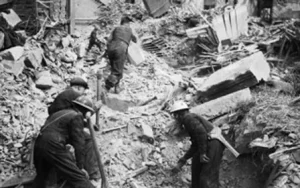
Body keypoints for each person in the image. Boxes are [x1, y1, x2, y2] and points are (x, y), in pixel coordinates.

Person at [47, 77, 101, 185]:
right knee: (88, 140)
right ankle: (92, 174)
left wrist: (87, 125)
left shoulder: (62, 96)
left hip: (54, 128)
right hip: (63, 132)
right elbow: (85, 114)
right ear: (77, 88)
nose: (82, 94)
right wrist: (95, 107)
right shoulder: (73, 93)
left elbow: (74, 116)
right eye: (82, 91)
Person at [32, 96, 97, 188]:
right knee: (77, 177)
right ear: (86, 111)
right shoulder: (77, 116)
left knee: (42, 178)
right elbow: (79, 143)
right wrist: (80, 167)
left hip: (39, 143)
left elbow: (59, 128)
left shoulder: (59, 113)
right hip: (53, 145)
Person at [170, 101, 225, 188]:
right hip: (209, 143)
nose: (175, 118)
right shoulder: (189, 119)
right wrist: (182, 160)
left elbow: (201, 134)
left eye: (175, 115)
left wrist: (203, 153)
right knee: (196, 165)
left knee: (207, 176)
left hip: (213, 143)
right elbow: (196, 144)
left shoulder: (188, 118)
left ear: (178, 114)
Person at [105, 16, 137, 93]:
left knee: (116, 68)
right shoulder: (129, 29)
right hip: (121, 48)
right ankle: (106, 89)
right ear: (127, 23)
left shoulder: (116, 28)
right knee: (117, 71)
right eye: (129, 23)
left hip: (111, 48)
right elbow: (135, 40)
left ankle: (117, 88)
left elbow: (108, 40)